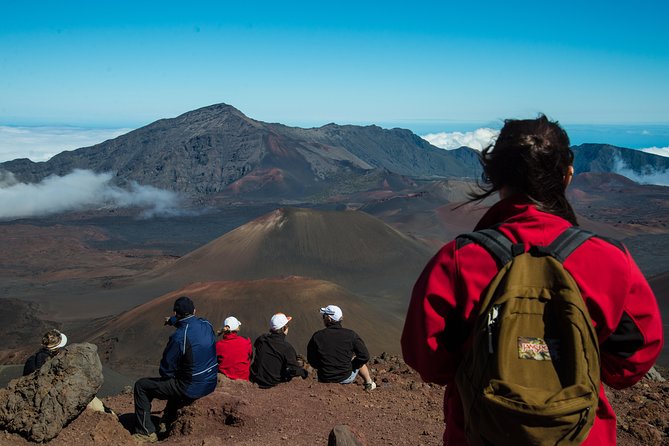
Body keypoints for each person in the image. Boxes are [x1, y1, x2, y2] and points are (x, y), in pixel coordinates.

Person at [401, 115, 663, 445]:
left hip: (479, 433)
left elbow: (428, 361)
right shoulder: (610, 260)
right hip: (581, 436)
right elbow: (631, 364)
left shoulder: (457, 261)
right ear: (567, 176)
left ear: (495, 177)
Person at [133, 296, 218, 443]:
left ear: (175, 312)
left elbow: (166, 369)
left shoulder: (179, 337)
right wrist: (172, 321)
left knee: (141, 386)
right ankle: (168, 419)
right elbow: (187, 322)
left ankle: (145, 432)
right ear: (195, 311)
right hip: (211, 381)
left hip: (192, 387)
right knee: (179, 376)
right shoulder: (206, 323)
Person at [307, 305, 376, 391]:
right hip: (345, 377)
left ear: (329, 318)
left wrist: (322, 367)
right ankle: (369, 383)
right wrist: (352, 365)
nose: (323, 318)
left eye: (324, 316)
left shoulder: (317, 336)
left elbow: (311, 359)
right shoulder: (351, 335)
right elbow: (364, 356)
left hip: (324, 378)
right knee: (355, 358)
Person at [250, 313, 308, 388]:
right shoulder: (286, 348)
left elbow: (257, 344)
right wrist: (305, 372)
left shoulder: (261, 340)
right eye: (287, 326)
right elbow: (294, 370)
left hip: (256, 379)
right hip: (272, 382)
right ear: (284, 328)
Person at [215, 316, 252, 380]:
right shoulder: (246, 341)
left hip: (225, 379)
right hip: (244, 379)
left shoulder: (218, 345)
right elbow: (250, 356)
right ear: (237, 328)